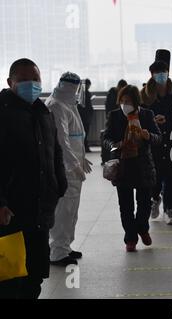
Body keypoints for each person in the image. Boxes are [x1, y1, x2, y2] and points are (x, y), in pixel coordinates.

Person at [0, 58, 67, 298]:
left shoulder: (43, 111)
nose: (31, 84)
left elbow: (55, 150)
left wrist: (60, 183)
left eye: (35, 79)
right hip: (11, 214)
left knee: (35, 274)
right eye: (24, 80)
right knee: (11, 277)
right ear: (10, 82)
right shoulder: (3, 112)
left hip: (40, 211)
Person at [103, 85, 162, 252]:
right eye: (121, 101)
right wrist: (116, 146)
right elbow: (106, 139)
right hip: (123, 167)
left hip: (143, 166)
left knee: (144, 204)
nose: (124, 104)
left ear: (136, 102)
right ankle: (130, 237)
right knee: (125, 206)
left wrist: (148, 135)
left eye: (127, 101)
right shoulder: (114, 116)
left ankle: (142, 229)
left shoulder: (146, 115)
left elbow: (158, 138)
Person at [45, 72, 92, 267]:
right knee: (64, 211)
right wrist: (74, 164)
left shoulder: (66, 104)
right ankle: (58, 252)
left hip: (73, 167)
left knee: (71, 211)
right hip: (66, 170)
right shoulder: (57, 106)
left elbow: (75, 137)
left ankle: (65, 246)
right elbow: (61, 142)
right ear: (72, 87)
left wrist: (82, 160)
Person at [141, 60, 172, 225]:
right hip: (154, 142)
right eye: (157, 72)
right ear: (151, 75)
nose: (161, 75)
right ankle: (155, 198)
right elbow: (138, 120)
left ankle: (169, 209)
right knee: (155, 177)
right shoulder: (145, 96)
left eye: (164, 72)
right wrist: (152, 121)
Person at [77, 78, 94, 152]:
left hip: (82, 115)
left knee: (83, 132)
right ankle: (85, 147)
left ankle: (84, 147)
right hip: (85, 116)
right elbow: (87, 105)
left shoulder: (80, 93)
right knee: (85, 132)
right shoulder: (86, 93)